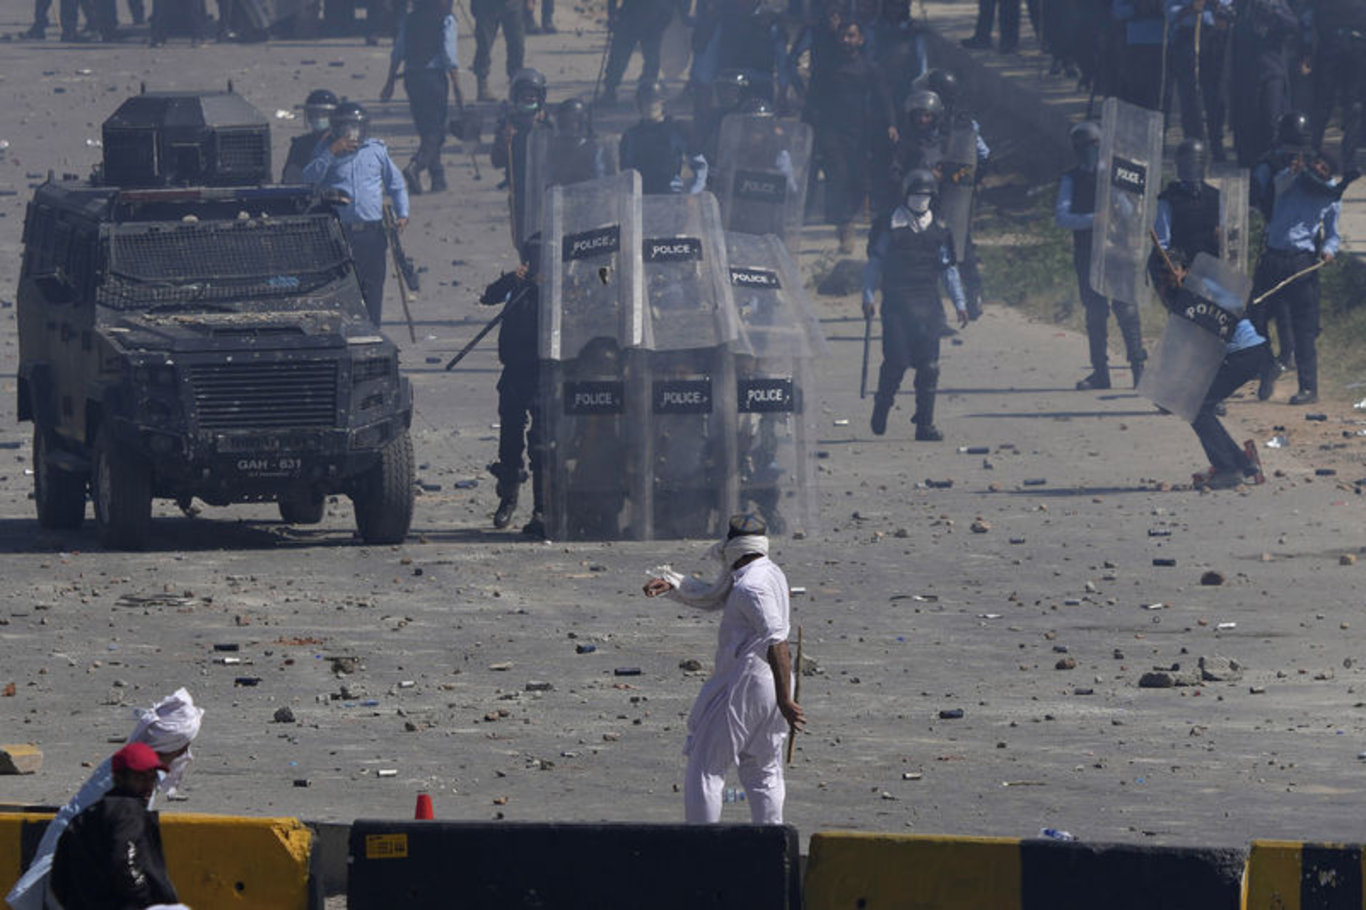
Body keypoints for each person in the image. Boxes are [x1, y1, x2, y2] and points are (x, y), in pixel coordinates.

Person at [643, 514, 805, 824]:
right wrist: (674, 585)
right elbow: (716, 595)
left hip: (748, 684)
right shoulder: (768, 573)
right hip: (775, 684)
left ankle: (702, 852)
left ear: (734, 545)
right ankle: (769, 847)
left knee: (706, 767)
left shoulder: (751, 587)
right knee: (764, 771)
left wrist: (786, 700)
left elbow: (777, 641)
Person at [5, 688, 204, 910]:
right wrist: (142, 898)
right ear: (180, 746)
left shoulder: (124, 774)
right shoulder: (127, 799)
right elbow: (124, 855)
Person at [863, 168, 969, 440]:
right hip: (897, 304)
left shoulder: (940, 229)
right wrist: (867, 295)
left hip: (928, 304)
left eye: (925, 195)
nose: (920, 200)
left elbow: (948, 269)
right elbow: (874, 263)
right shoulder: (889, 225)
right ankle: (882, 406)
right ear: (906, 195)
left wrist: (959, 302)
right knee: (896, 361)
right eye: (916, 194)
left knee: (929, 366)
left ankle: (924, 424)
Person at [1055, 120, 1147, 390]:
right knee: (1095, 312)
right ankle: (1100, 372)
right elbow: (1062, 216)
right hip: (1087, 252)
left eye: (1094, 145)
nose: (1090, 151)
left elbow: (1131, 213)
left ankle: (1138, 369)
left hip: (1117, 251)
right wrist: (1095, 219)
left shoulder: (1115, 176)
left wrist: (1119, 202)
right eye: (1085, 146)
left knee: (1126, 309)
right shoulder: (1071, 179)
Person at [1248, 149, 1343, 405]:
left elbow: (1334, 234)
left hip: (1302, 263)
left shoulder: (1331, 195)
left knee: (1304, 327)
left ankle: (1308, 388)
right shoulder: (1289, 179)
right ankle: (1268, 365)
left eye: (1325, 169)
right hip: (1272, 258)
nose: (1319, 169)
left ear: (1329, 175)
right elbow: (1279, 183)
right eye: (1318, 164)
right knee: (1253, 315)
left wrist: (1329, 251)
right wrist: (1294, 170)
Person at [302, 101, 411, 326]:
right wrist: (331, 152)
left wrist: (403, 213)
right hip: (338, 233)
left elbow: (396, 184)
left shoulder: (376, 151)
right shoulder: (325, 150)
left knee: (372, 285)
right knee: (339, 286)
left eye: (357, 128)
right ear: (337, 129)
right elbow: (308, 179)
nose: (352, 134)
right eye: (347, 128)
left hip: (372, 232)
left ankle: (372, 329)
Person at [50, 743, 184, 910]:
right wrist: (143, 899)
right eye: (140, 778)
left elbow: (58, 878)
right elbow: (124, 859)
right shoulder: (128, 809)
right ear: (119, 778)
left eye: (152, 778)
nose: (149, 786)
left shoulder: (88, 815)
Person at [805, 20, 887, 252]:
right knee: (838, 176)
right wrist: (807, 127)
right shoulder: (826, 67)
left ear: (860, 40)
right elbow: (813, 99)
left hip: (860, 132)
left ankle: (851, 215)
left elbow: (883, 99)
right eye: (843, 36)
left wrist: (890, 125)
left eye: (851, 36)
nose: (846, 41)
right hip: (831, 131)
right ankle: (845, 226)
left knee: (858, 179)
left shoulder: (869, 68)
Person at [481, 236, 545, 534]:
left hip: (544, 374)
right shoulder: (517, 284)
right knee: (509, 442)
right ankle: (507, 498)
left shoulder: (557, 287)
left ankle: (542, 508)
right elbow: (488, 297)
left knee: (542, 443)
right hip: (514, 373)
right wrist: (512, 279)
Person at [382, 0, 464, 195]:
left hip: (412, 79)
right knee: (436, 132)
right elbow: (449, 55)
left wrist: (389, 83)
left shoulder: (409, 19)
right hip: (433, 78)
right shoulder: (447, 20)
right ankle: (415, 166)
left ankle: (437, 177)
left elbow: (398, 53)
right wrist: (457, 87)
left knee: (426, 129)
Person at [1188, 315, 1271, 488]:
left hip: (1240, 354)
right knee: (1202, 407)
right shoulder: (1205, 290)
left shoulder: (1190, 299)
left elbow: (1199, 346)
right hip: (1252, 350)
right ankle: (1242, 463)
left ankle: (1228, 469)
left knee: (1197, 407)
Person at [1150, 138, 1222, 303]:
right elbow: (1162, 243)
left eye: (1196, 164)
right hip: (1179, 273)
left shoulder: (1216, 197)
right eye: (1188, 164)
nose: (1192, 169)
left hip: (1211, 274)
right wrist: (1173, 268)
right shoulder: (1168, 199)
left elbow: (1227, 235)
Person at [492, 68, 553, 245]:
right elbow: (496, 161)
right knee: (522, 240)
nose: (529, 100)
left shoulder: (548, 124)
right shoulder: (508, 125)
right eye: (525, 96)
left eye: (533, 96)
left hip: (545, 191)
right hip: (519, 191)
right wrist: (504, 142)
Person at [1166, 0, 1233, 158]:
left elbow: (1229, 5)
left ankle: (1217, 142)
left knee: (1216, 95)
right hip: (1186, 36)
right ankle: (1194, 146)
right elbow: (1170, 12)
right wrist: (1191, 8)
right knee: (1190, 95)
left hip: (1213, 35)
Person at [619, 81, 708, 194]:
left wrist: (693, 191)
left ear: (663, 104)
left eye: (654, 102)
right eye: (645, 102)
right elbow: (625, 173)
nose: (650, 106)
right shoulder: (631, 136)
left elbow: (700, 165)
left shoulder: (677, 132)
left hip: (670, 198)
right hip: (640, 199)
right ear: (639, 105)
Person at [599, 0, 679, 106]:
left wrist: (668, 16)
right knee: (619, 57)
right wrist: (612, 14)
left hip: (654, 18)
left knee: (651, 59)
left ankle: (648, 93)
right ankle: (610, 91)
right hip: (631, 16)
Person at [472, 0, 526, 102]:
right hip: (486, 5)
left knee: (517, 45)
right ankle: (482, 86)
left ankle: (516, 86)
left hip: (513, 4)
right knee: (484, 45)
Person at [282, 89, 338, 184]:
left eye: (323, 113)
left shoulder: (343, 144)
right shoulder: (301, 145)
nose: (318, 117)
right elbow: (291, 178)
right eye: (314, 113)